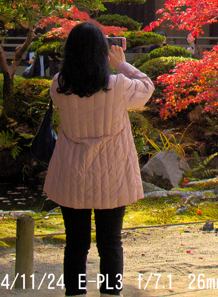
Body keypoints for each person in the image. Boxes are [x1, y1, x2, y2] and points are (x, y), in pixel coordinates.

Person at [44, 22, 154, 296]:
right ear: (101, 52)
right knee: (111, 243)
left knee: (75, 243)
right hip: (112, 175)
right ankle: (111, 293)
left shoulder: (59, 85)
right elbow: (146, 88)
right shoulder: (118, 85)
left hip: (71, 173)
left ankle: (75, 293)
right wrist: (122, 64)